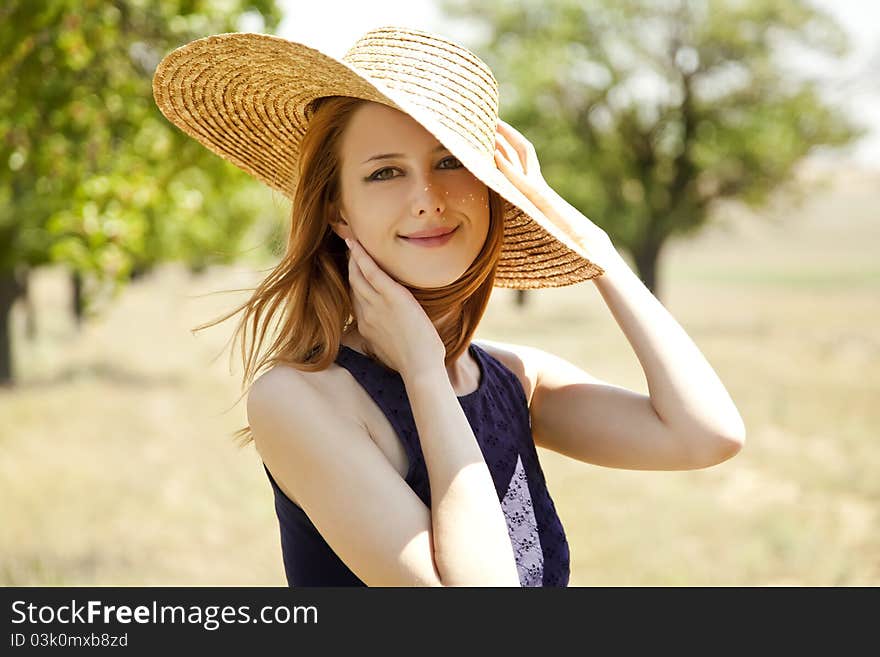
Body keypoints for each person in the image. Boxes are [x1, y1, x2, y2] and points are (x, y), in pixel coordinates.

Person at [152, 26, 745, 587]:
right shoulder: (300, 398)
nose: (427, 199)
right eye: (385, 172)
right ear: (338, 212)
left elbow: (706, 436)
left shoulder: (514, 379)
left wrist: (594, 249)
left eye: (451, 162)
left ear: (491, 192)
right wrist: (421, 370)